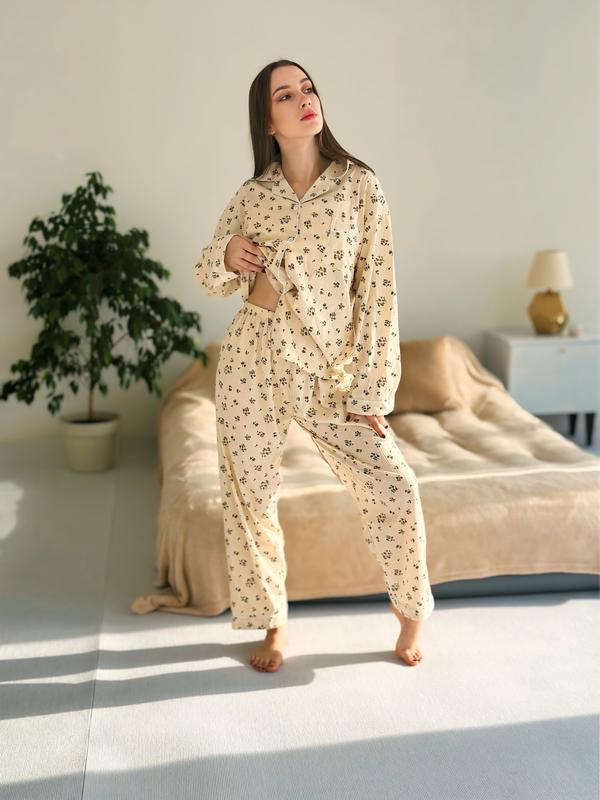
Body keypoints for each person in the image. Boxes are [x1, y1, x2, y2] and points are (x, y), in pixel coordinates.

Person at [194, 59, 435, 672]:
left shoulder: (359, 186)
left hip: (328, 368)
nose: (304, 98)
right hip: (251, 357)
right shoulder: (253, 195)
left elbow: (378, 294)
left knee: (393, 482)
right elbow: (209, 278)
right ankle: (272, 621)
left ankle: (411, 611)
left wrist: (373, 391)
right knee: (250, 495)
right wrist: (226, 252)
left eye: (308, 88)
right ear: (267, 122)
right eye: (285, 94)